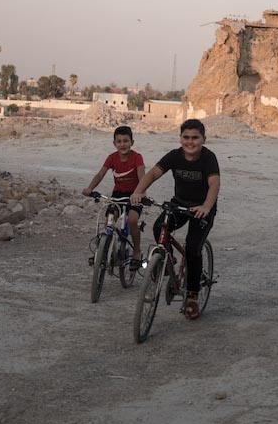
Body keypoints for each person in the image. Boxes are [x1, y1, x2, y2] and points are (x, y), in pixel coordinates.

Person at [130, 118, 220, 320]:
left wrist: (206, 206)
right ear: (180, 138)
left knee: (192, 247)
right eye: (186, 137)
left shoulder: (208, 158)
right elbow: (153, 173)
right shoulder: (174, 156)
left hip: (201, 208)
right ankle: (166, 261)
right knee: (158, 228)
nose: (190, 142)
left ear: (203, 139)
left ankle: (192, 296)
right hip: (179, 204)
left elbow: (214, 183)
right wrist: (138, 191)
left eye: (195, 138)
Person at [83, 125, 145, 269]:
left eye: (126, 141)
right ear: (114, 143)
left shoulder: (137, 157)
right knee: (109, 221)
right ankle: (102, 251)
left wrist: (141, 193)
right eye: (119, 141)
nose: (122, 144)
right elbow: (100, 174)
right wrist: (90, 188)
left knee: (132, 220)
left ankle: (136, 251)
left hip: (135, 194)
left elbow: (142, 175)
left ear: (132, 142)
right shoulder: (112, 158)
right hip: (118, 195)